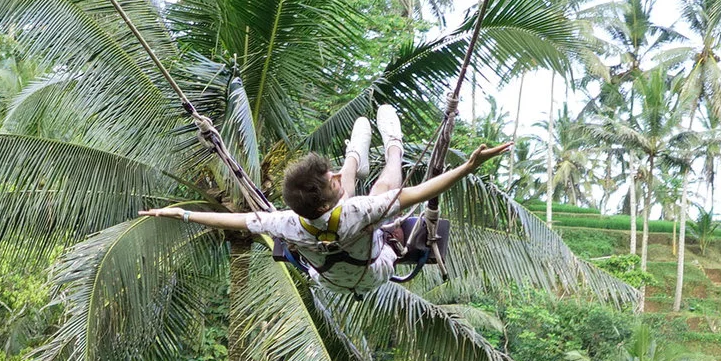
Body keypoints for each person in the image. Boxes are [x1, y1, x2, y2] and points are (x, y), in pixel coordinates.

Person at [141, 104, 511, 287]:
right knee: (386, 191)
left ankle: (355, 157)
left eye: (332, 175)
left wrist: (182, 214)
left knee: (349, 200)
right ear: (321, 199)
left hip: (329, 280)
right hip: (372, 270)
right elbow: (416, 192)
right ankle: (394, 146)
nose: (333, 178)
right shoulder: (360, 211)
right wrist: (468, 166)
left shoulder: (286, 220)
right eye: (332, 179)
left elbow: (232, 220)